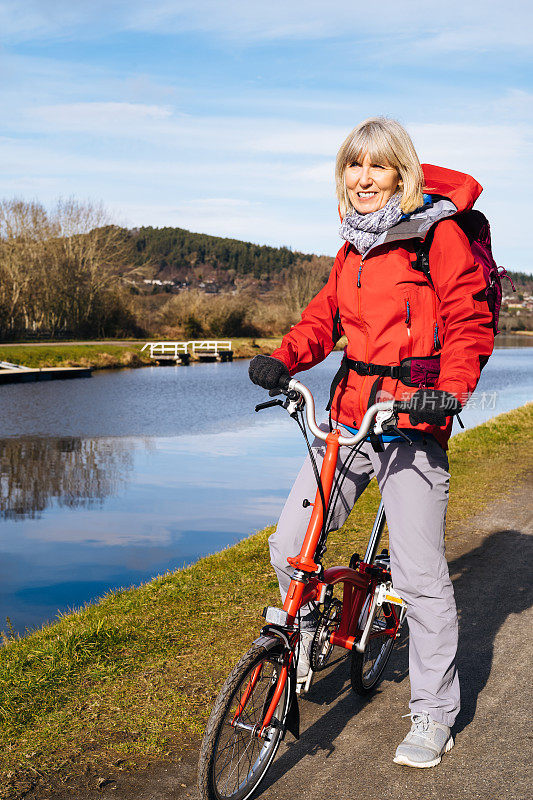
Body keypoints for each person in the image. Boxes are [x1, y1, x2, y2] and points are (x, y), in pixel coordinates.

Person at [248, 117, 494, 769]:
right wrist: (285, 358)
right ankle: (302, 638)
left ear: (400, 173)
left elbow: (467, 322)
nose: (363, 178)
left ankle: (433, 714)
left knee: (419, 576)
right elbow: (323, 318)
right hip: (345, 415)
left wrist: (451, 389)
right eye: (352, 166)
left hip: (412, 419)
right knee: (287, 545)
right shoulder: (350, 247)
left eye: (376, 167)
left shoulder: (435, 235)